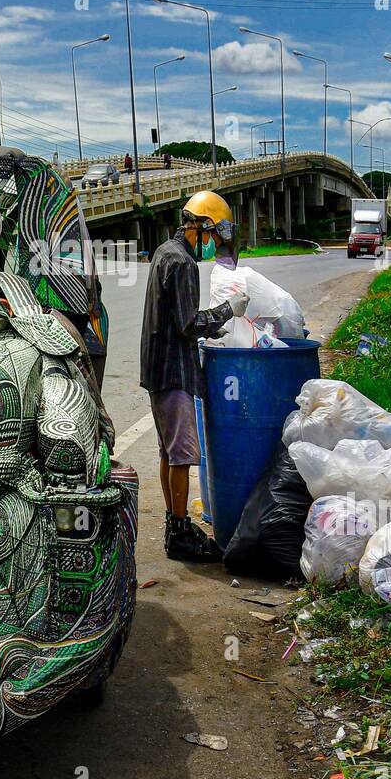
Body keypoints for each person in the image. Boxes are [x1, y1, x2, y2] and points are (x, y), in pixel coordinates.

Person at [139, 191, 249, 562]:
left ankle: (176, 525)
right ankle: (181, 533)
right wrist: (225, 312)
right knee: (184, 455)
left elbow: (177, 316)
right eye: (215, 238)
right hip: (174, 370)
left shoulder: (164, 252)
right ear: (201, 227)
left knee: (169, 454)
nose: (214, 246)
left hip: (157, 366)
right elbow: (188, 323)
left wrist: (209, 328)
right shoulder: (183, 263)